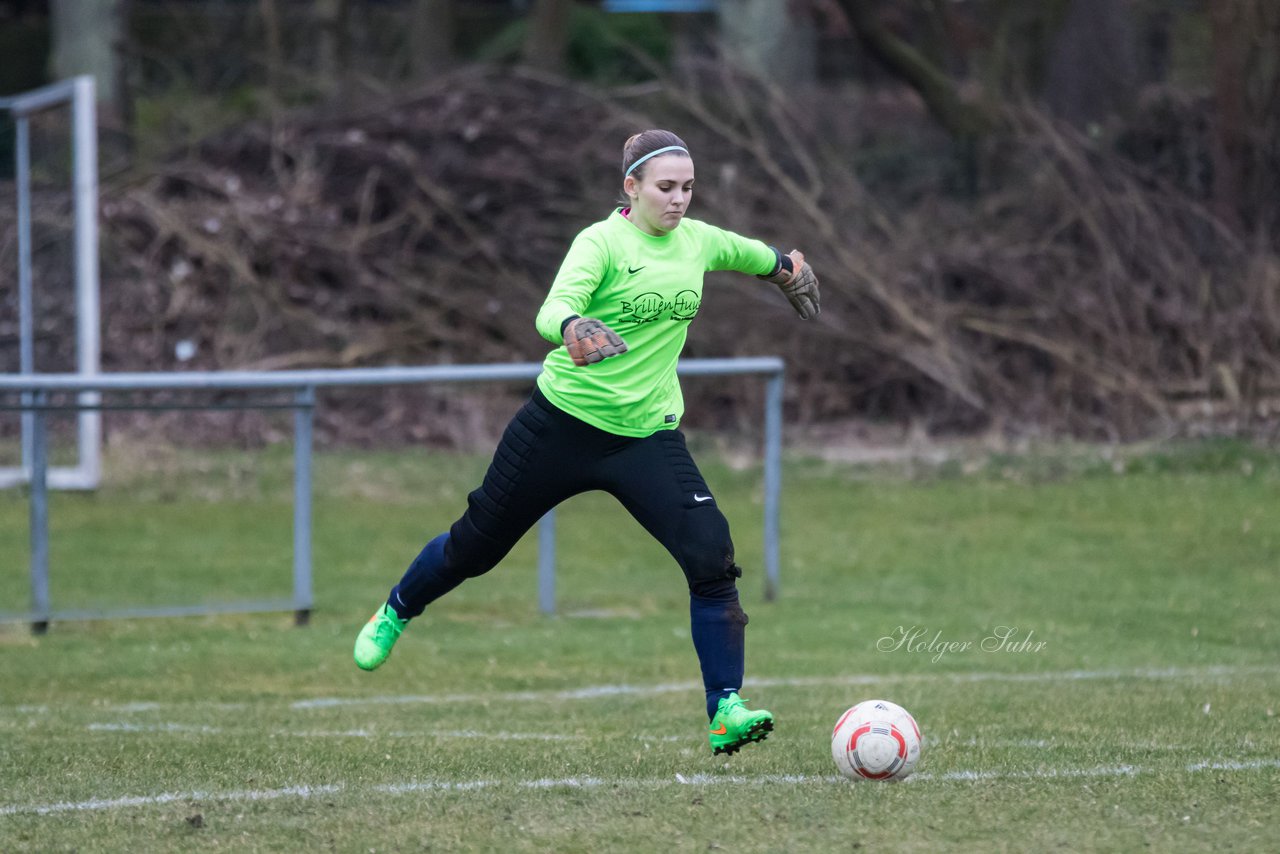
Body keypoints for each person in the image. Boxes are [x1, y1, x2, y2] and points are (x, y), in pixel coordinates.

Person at [353, 129, 820, 756]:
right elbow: (552, 311)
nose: (679, 199)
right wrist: (574, 324)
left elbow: (750, 254)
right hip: (560, 427)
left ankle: (724, 709)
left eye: (687, 187)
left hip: (645, 438)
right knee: (475, 549)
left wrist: (785, 268)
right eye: (665, 188)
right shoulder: (600, 243)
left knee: (711, 555)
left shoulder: (697, 240)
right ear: (631, 187)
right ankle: (397, 609)